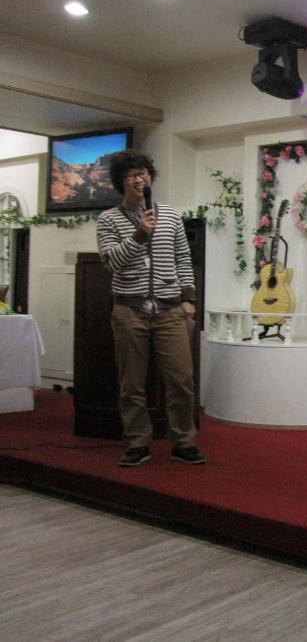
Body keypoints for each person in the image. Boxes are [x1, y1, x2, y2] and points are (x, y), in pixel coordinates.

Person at [96, 150, 206, 468]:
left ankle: (183, 441)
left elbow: (183, 258)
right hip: (129, 310)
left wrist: (189, 298)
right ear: (121, 181)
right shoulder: (108, 220)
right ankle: (137, 442)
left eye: (143, 173)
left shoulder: (170, 216)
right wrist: (139, 234)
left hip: (170, 310)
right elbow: (110, 262)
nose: (139, 179)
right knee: (132, 384)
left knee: (181, 379)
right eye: (132, 174)